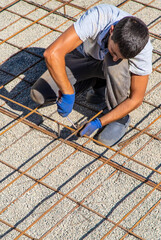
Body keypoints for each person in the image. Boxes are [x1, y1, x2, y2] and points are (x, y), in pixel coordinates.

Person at [30, 4, 153, 146]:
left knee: (115, 64)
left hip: (110, 70)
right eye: (114, 51)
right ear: (111, 31)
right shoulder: (99, 17)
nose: (115, 57)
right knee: (39, 94)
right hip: (83, 56)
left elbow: (135, 99)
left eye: (119, 56)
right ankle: (96, 83)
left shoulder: (142, 47)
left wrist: (100, 122)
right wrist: (67, 91)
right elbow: (51, 54)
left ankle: (119, 118)